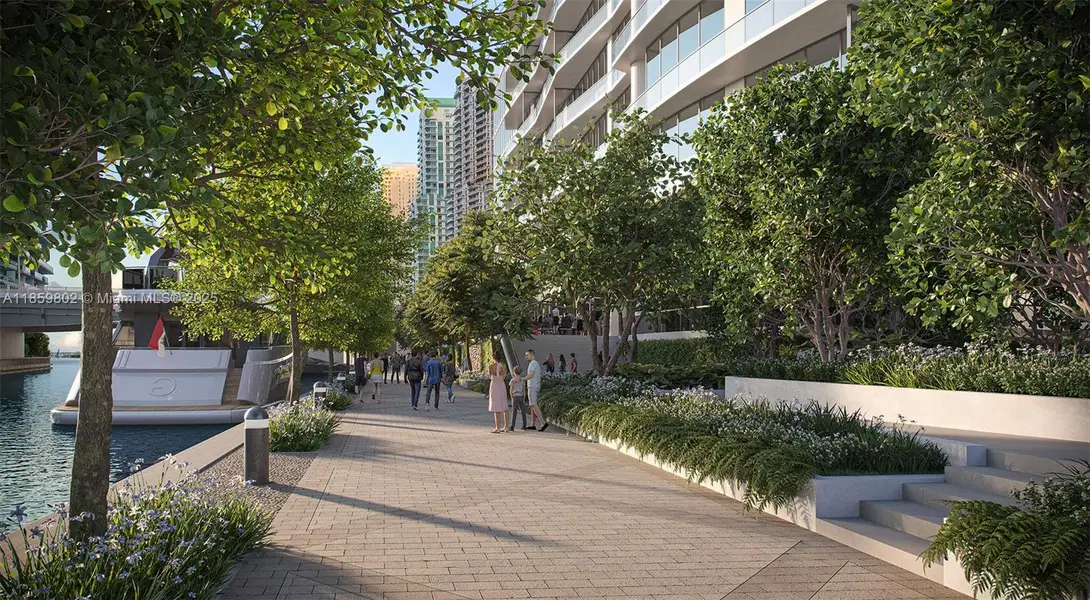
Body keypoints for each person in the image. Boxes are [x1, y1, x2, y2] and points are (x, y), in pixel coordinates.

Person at [525, 349, 547, 431]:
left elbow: (530, 375)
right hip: (534, 386)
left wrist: (521, 379)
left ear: (531, 354)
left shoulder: (533, 364)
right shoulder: (534, 363)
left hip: (532, 386)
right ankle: (532, 424)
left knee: (534, 404)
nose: (526, 357)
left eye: (527, 355)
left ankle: (543, 423)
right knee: (532, 405)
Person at [487, 351, 508, 433]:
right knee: (504, 405)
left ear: (493, 357)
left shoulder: (491, 366)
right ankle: (506, 426)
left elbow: (489, 376)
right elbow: (504, 376)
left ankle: (497, 427)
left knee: (496, 406)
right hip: (501, 385)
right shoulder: (503, 366)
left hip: (494, 386)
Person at [508, 366, 531, 431]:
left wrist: (511, 396)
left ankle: (512, 426)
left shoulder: (512, 380)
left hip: (515, 396)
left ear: (514, 372)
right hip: (521, 396)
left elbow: (511, 390)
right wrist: (524, 398)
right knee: (523, 412)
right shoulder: (522, 380)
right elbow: (524, 390)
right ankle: (524, 426)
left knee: (514, 412)